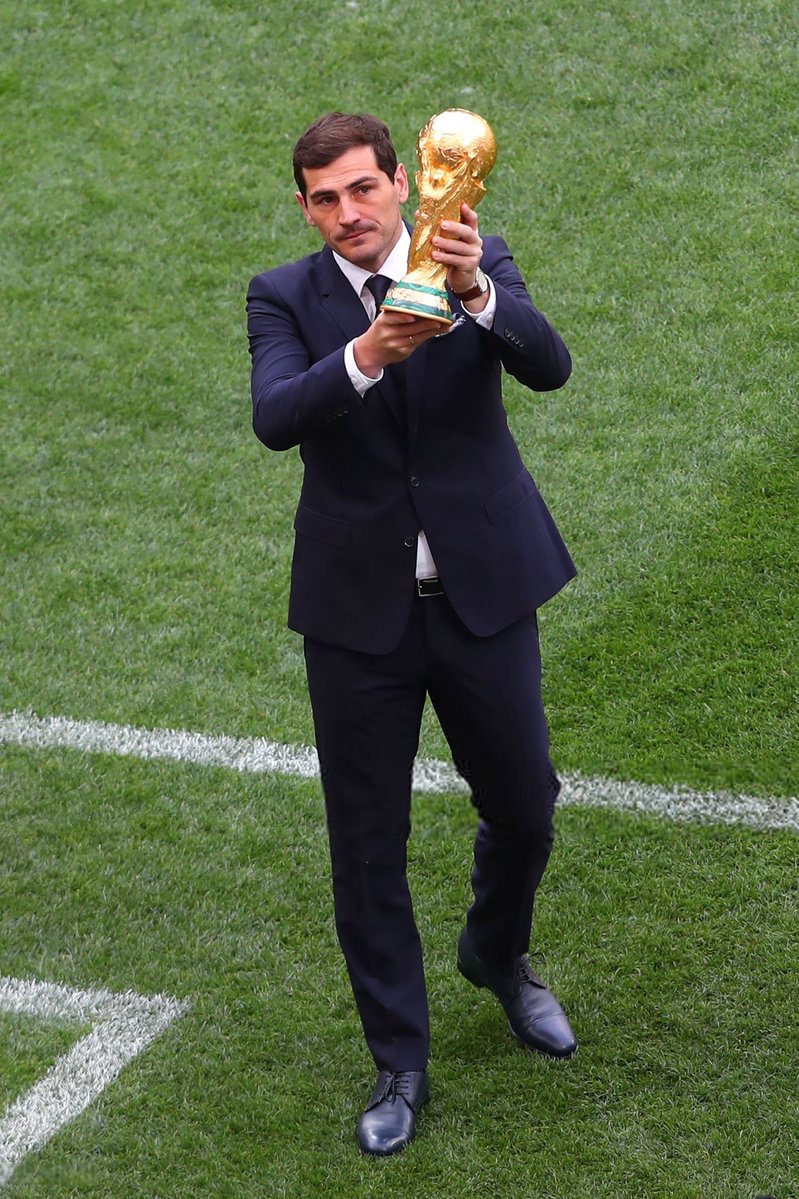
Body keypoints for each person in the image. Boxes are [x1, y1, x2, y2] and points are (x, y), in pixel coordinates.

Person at [246, 111, 577, 1157]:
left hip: (483, 595)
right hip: (357, 621)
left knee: (524, 806)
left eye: (362, 188)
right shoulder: (282, 296)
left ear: (402, 181)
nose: (347, 211)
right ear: (305, 208)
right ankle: (400, 1060)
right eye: (324, 198)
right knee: (365, 847)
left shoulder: (475, 253)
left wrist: (477, 294)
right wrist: (366, 353)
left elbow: (549, 365)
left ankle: (496, 953)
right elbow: (275, 414)